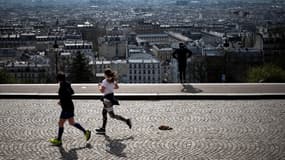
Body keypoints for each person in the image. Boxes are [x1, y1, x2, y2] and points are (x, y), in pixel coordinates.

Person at [49, 72, 91, 146]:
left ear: (59, 79)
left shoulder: (62, 87)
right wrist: (63, 99)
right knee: (71, 122)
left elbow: (66, 95)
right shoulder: (67, 84)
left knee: (61, 123)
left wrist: (61, 101)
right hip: (70, 106)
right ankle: (85, 132)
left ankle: (59, 140)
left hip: (66, 108)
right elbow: (72, 92)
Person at [96, 68, 132, 134]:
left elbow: (102, 91)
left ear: (105, 74)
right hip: (111, 98)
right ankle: (103, 128)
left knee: (112, 115)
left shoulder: (105, 81)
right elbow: (117, 87)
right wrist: (110, 87)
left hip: (107, 100)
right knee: (104, 113)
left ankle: (126, 120)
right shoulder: (113, 80)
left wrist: (99, 86)